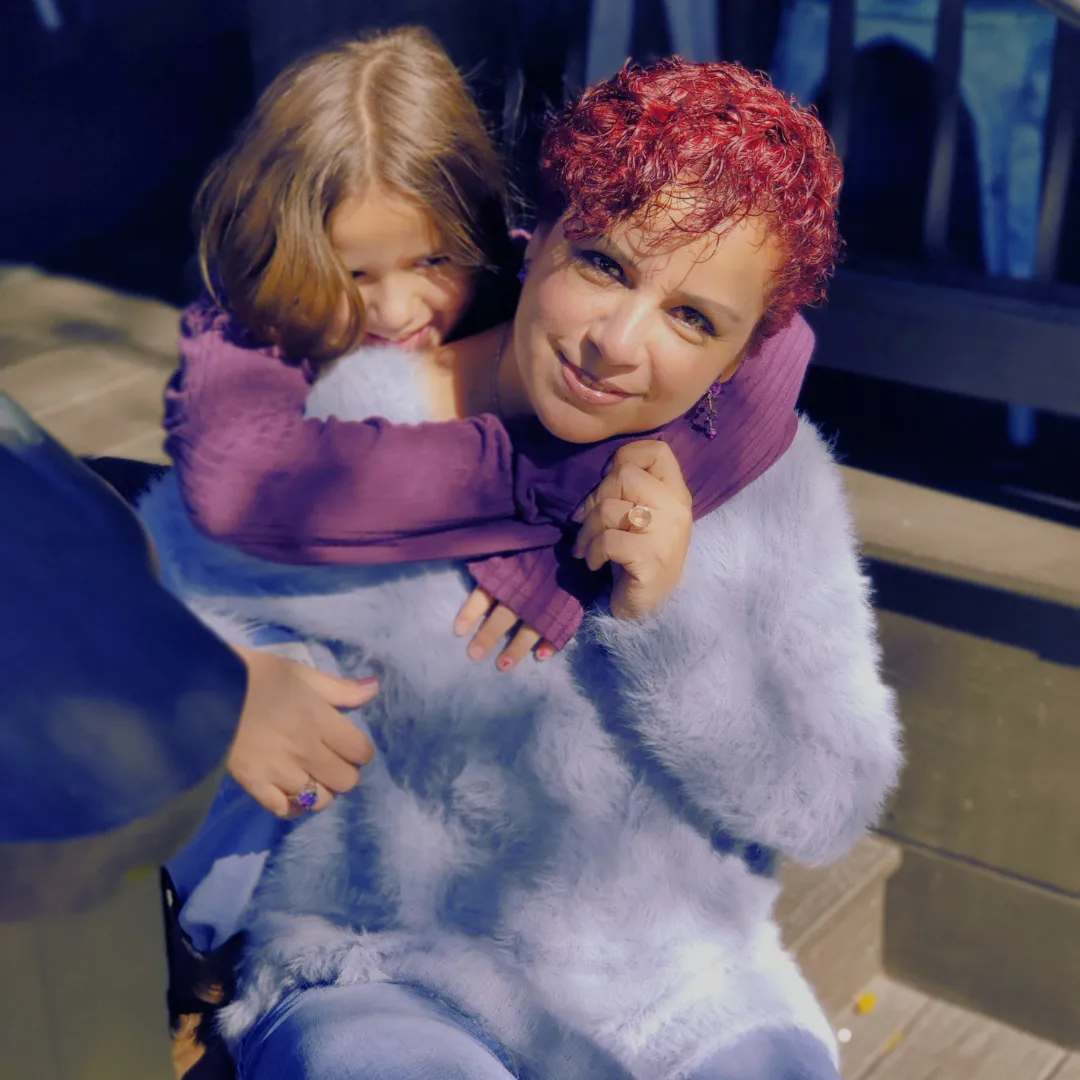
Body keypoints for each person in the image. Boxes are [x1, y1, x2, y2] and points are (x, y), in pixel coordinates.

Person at [142, 57, 901, 1079]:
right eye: (604, 264)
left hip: (683, 982)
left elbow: (828, 804)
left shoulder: (772, 484)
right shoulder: (359, 421)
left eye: (693, 318)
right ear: (534, 234)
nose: (617, 344)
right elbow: (139, 610)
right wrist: (215, 684)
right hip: (388, 967)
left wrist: (666, 616)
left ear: (743, 354)